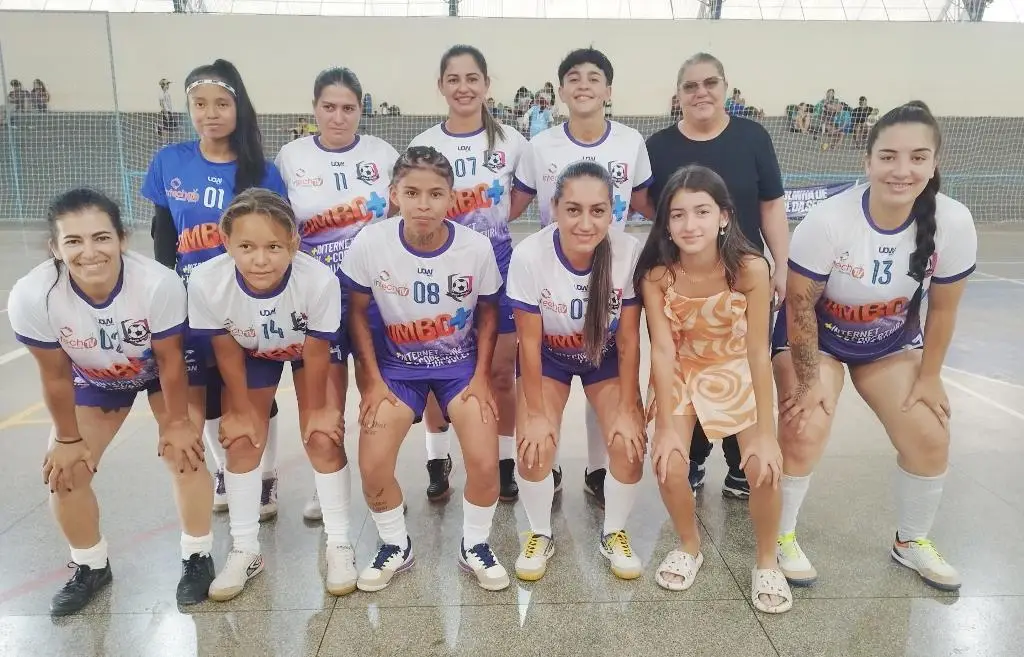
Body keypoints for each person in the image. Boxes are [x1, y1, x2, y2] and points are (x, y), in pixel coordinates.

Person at [773, 101, 977, 592]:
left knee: (930, 434)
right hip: (815, 339)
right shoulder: (829, 220)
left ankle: (911, 541)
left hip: (889, 344)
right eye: (888, 156)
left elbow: (943, 310)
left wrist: (929, 377)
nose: (901, 170)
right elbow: (799, 307)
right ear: (868, 162)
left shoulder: (954, 221)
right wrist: (807, 379)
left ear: (933, 164)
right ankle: (779, 536)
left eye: (917, 157)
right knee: (806, 425)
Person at [7, 189, 214, 615]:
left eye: (101, 238)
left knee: (185, 453)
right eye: (73, 241)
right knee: (65, 472)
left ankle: (197, 555)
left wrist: (176, 423)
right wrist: (67, 439)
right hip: (95, 376)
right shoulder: (32, 296)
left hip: (161, 369)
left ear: (122, 238)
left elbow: (171, 360)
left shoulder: (158, 283)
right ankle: (90, 565)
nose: (89, 252)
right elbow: (54, 374)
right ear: (54, 248)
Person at [340, 146, 509, 593]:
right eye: (411, 192)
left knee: (486, 464)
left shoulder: (475, 248)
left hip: (459, 367)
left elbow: (490, 312)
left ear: (451, 199)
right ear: (394, 194)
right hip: (396, 369)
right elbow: (355, 312)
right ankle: (396, 545)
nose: (423, 204)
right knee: (373, 465)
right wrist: (371, 382)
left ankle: (474, 544)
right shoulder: (370, 243)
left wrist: (481, 378)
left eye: (435, 194)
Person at [636, 165, 792, 613]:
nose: (690, 224)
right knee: (667, 462)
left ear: (724, 216)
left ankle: (767, 560)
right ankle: (689, 546)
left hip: (736, 366)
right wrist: (666, 424)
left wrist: (765, 430)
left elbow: (758, 353)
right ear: (666, 222)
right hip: (684, 369)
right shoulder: (658, 276)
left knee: (763, 464)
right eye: (678, 214)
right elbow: (663, 352)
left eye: (702, 211)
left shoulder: (750, 269)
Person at [142, 59, 288, 522]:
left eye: (222, 103)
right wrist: (162, 293)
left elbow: (278, 239)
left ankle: (265, 477)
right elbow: (164, 235)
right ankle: (225, 469)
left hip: (248, 301)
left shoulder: (262, 170)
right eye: (199, 104)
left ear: (238, 108)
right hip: (190, 300)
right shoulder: (171, 162)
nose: (210, 113)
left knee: (252, 388)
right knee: (201, 392)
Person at [510, 47, 655, 508]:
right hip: (554, 274)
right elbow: (514, 203)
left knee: (606, 380)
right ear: (562, 90)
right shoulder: (540, 146)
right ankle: (546, 467)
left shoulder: (631, 142)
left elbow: (650, 204)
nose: (585, 84)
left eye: (595, 77)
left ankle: (598, 472)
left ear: (609, 90)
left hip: (607, 275)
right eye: (574, 77)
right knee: (536, 432)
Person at [186, 188, 347, 600]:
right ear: (226, 243)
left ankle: (339, 543)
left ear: (294, 242)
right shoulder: (207, 282)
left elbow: (314, 351)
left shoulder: (319, 281)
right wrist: (238, 409)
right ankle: (245, 550)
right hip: (249, 351)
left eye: (274, 246)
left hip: (306, 349)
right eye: (246, 247)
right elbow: (225, 348)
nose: (261, 259)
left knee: (322, 437)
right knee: (241, 439)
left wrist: (316, 411)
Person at [645, 52, 790, 502]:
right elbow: (654, 211)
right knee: (689, 364)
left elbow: (771, 204)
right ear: (679, 95)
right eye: (690, 86)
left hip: (742, 281)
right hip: (687, 284)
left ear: (725, 87)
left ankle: (740, 460)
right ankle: (693, 452)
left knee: (744, 364)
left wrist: (780, 264)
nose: (700, 92)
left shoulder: (753, 137)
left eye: (709, 83)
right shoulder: (659, 147)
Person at [506, 161, 645, 582]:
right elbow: (527, 343)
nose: (586, 223)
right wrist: (531, 414)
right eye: (573, 210)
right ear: (554, 208)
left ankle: (614, 532)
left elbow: (629, 341)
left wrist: (627, 405)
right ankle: (540, 532)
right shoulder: (530, 255)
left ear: (612, 210)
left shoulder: (627, 253)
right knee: (534, 447)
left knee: (629, 444)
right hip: (549, 357)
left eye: (598, 211)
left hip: (603, 357)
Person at [275, 66, 399, 523]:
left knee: (373, 393)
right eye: (329, 107)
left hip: (370, 297)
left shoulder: (383, 154)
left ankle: (374, 478)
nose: (339, 116)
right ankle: (325, 483)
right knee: (323, 399)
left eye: (348, 108)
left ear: (361, 110)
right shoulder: (291, 158)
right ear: (314, 109)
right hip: (315, 299)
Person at [409, 45, 527, 504]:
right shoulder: (424, 144)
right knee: (438, 364)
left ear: (486, 85)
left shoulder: (512, 142)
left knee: (501, 372)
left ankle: (503, 461)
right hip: (439, 267)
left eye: (472, 78)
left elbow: (521, 197)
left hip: (497, 263)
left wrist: (489, 224)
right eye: (453, 78)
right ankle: (438, 457)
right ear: (441, 86)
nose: (463, 87)